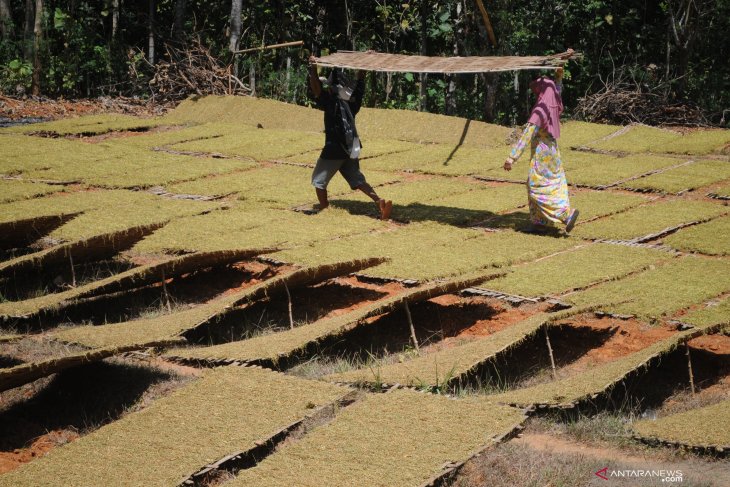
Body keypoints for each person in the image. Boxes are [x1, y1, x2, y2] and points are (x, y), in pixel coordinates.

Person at [308, 55, 392, 220]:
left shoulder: (332, 102)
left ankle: (325, 209)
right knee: (357, 178)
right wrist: (364, 64)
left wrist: (312, 69)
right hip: (353, 145)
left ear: (333, 88)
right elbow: (360, 81)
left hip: (336, 146)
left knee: (318, 181)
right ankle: (378, 200)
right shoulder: (353, 101)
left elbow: (316, 89)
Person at [503, 64, 579, 233]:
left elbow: (527, 134)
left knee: (536, 187)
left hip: (542, 154)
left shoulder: (540, 109)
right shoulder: (553, 103)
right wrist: (559, 76)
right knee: (553, 183)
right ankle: (540, 223)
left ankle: (565, 214)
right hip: (553, 153)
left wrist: (511, 158)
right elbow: (556, 90)